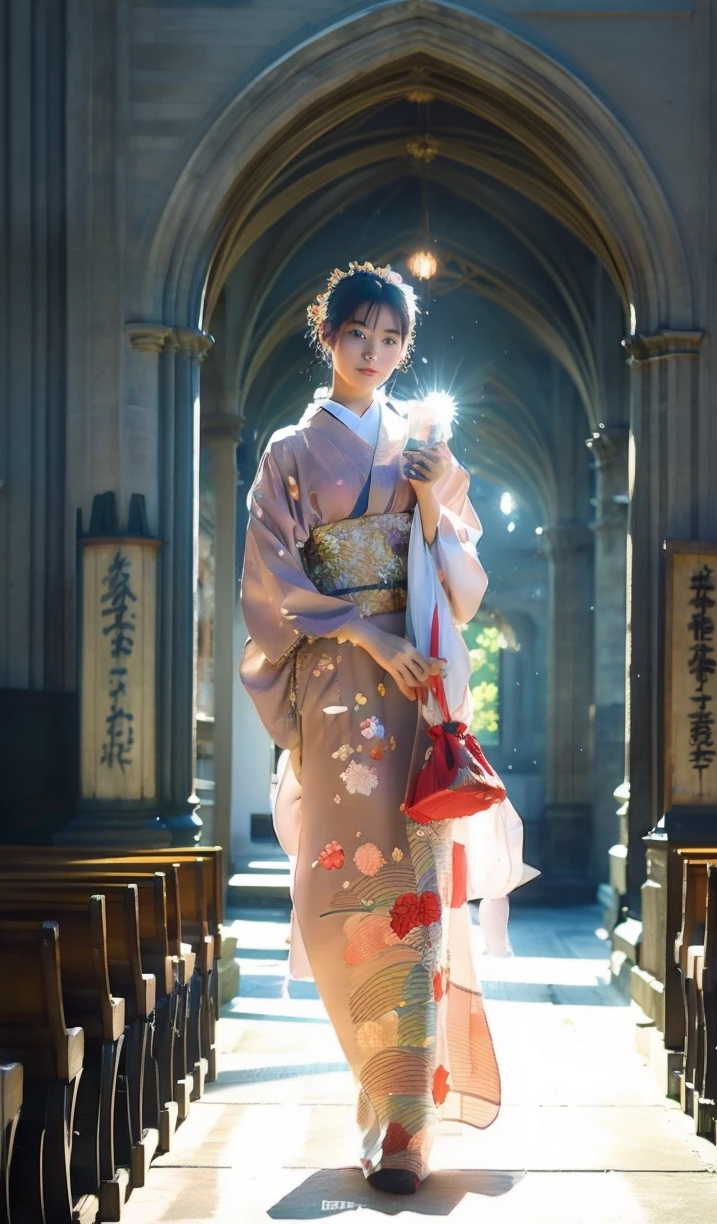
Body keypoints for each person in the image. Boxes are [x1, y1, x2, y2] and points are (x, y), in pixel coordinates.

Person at [238, 262, 505, 1195]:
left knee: (416, 907)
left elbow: (465, 583)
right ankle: (376, 1085)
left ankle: (406, 1127)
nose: (376, 352)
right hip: (336, 687)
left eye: (393, 340)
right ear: (328, 335)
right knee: (330, 908)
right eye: (360, 333)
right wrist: (355, 629)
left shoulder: (419, 448)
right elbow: (269, 580)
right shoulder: (288, 451)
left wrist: (433, 496)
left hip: (413, 690)